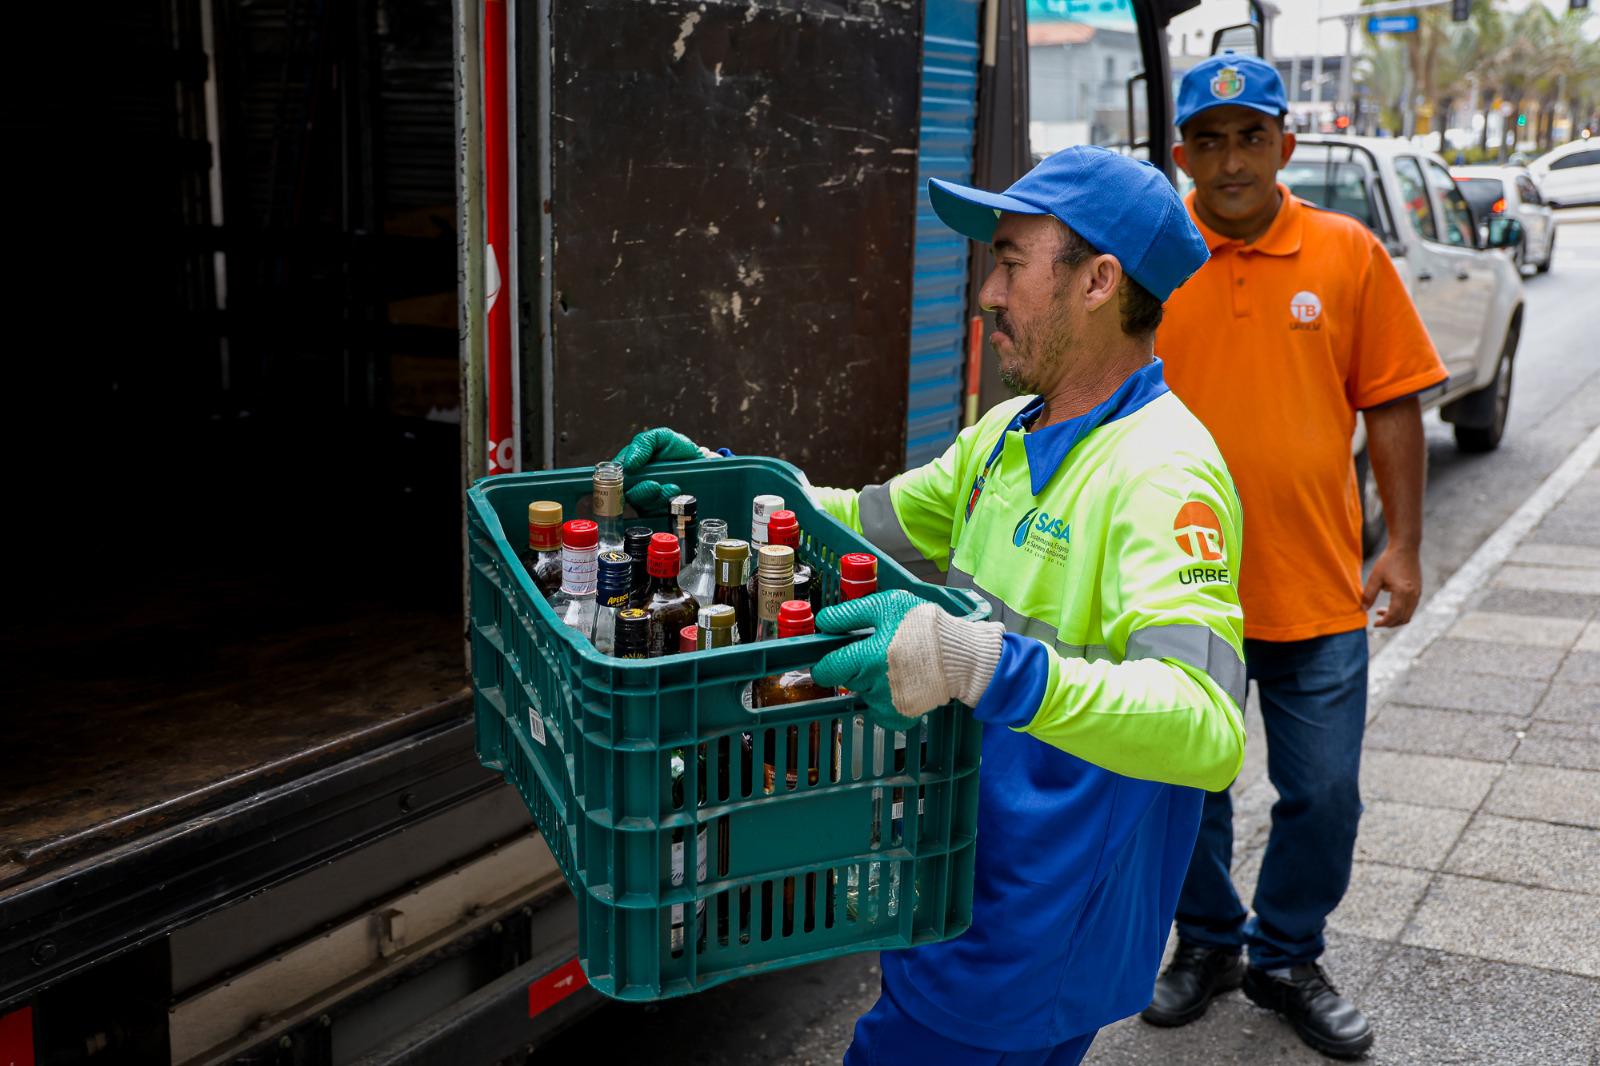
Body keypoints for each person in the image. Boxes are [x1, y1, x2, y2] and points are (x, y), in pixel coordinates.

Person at [615, 145, 1248, 1065]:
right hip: (957, 868)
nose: (987, 293)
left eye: (1010, 263)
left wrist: (982, 663)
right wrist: (721, 484)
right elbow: (856, 526)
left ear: (1100, 281)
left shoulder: (1163, 472)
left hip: (1035, 921)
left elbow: (1207, 726)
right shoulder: (1006, 435)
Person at [1143, 54, 1446, 1060]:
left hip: (1314, 580)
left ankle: (1286, 954)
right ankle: (1209, 943)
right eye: (1210, 138)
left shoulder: (1347, 253)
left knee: (1323, 793)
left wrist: (1400, 544)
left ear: (1286, 144)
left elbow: (1392, 399)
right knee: (1185, 790)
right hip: (1176, 588)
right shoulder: (1147, 257)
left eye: (1250, 135)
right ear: (1179, 151)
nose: (1230, 159)